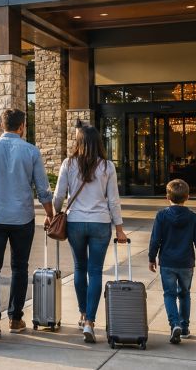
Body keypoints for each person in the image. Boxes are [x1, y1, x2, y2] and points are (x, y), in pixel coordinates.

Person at [0, 108, 54, 338]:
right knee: (19, 268)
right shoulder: (31, 151)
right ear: (22, 126)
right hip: (22, 218)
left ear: (1, 126)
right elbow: (43, 188)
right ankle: (15, 319)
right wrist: (50, 213)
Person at [52, 125, 126, 344]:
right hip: (100, 223)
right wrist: (119, 228)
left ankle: (83, 312)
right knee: (95, 271)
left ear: (79, 142)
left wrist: (55, 214)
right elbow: (113, 200)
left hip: (75, 222)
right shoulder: (107, 166)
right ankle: (90, 323)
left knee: (79, 268)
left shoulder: (68, 164)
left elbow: (58, 196)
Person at [149, 179, 196, 344]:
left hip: (168, 262)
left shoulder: (161, 216)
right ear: (188, 197)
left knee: (169, 294)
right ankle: (184, 328)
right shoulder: (193, 217)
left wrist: (151, 257)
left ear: (166, 197)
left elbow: (155, 239)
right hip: (186, 263)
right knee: (184, 294)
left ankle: (174, 324)